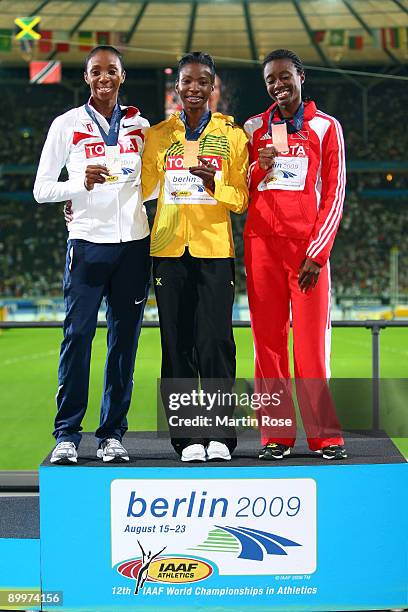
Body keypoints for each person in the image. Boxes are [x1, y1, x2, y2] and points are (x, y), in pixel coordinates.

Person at [33, 46, 151, 464]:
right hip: (85, 244)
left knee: (125, 343)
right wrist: (76, 185)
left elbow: (149, 185)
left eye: (112, 71)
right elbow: (41, 188)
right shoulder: (66, 124)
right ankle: (67, 434)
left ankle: (111, 435)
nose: (104, 77)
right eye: (96, 71)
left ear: (122, 76)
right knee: (78, 337)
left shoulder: (140, 124)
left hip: (135, 245)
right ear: (86, 78)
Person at [142, 52, 248, 462]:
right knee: (176, 346)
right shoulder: (157, 135)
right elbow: (142, 188)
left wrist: (216, 182)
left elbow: (241, 198)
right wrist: (82, 203)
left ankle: (222, 436)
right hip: (168, 249)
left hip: (215, 250)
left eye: (203, 82)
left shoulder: (232, 135)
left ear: (213, 87)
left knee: (216, 344)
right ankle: (186, 439)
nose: (194, 88)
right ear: (177, 88)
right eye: (187, 81)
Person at [243, 48, 347, 461]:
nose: (277, 85)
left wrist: (318, 253)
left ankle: (325, 436)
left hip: (306, 252)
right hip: (261, 248)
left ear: (300, 77)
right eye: (270, 80)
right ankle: (276, 437)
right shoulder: (254, 128)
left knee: (309, 346)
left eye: (284, 76)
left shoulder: (325, 127)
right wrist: (257, 168)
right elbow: (243, 187)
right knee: (267, 346)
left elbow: (335, 191)